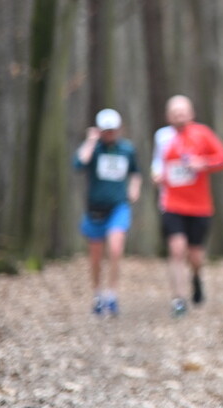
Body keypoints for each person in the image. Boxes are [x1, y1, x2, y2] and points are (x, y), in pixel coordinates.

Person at [151, 94, 223, 318]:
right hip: (172, 203)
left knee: (195, 256)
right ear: (168, 115)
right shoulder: (163, 137)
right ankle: (178, 299)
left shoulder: (202, 134)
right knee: (176, 249)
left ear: (191, 113)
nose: (179, 116)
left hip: (199, 206)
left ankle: (196, 278)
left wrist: (203, 163)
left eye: (183, 111)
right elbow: (157, 164)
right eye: (175, 112)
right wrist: (156, 175)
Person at [74, 108, 142, 317]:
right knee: (95, 258)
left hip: (118, 208)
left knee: (115, 248)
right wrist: (91, 140)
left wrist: (134, 188)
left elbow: (136, 173)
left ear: (119, 129)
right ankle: (98, 294)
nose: (110, 134)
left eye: (113, 130)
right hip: (95, 210)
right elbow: (79, 164)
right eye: (106, 130)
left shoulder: (127, 150)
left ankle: (112, 294)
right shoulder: (94, 149)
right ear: (99, 130)